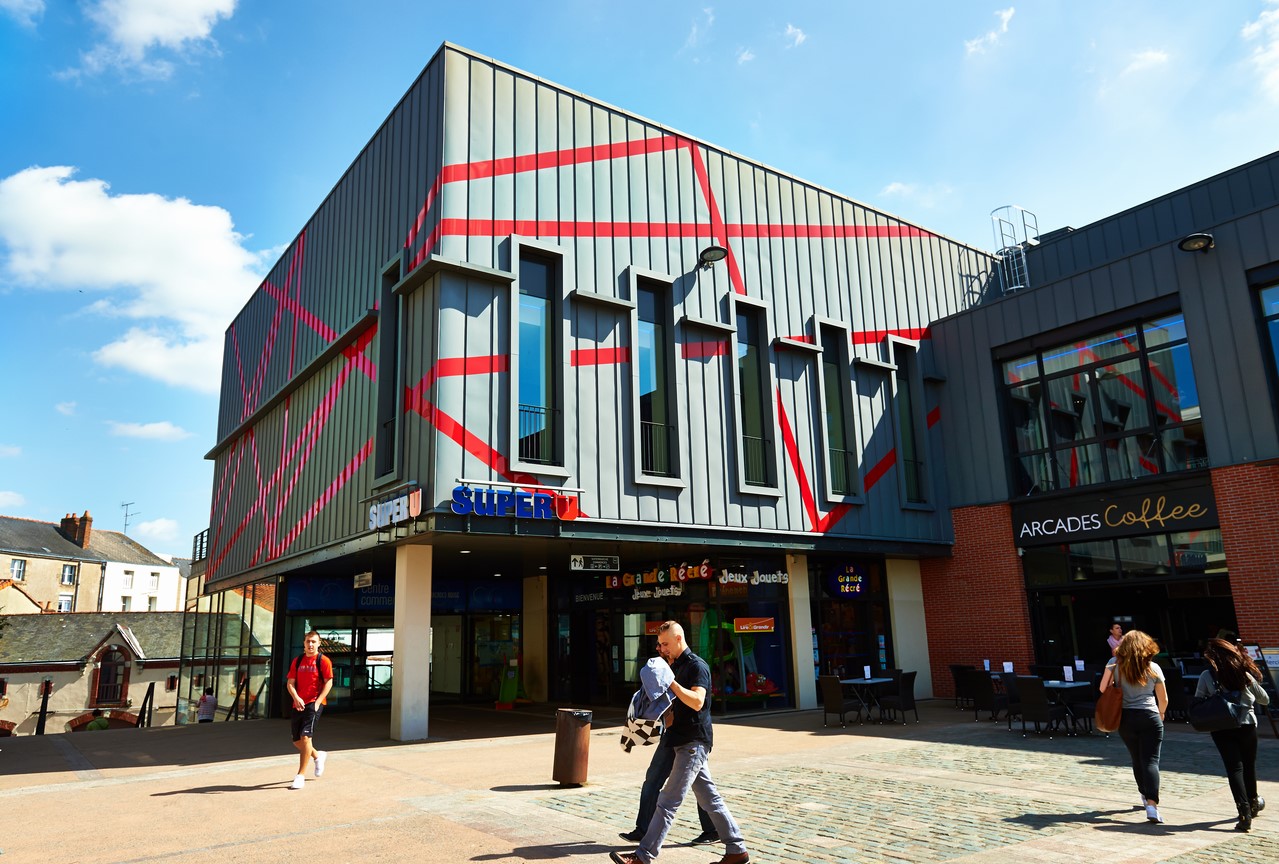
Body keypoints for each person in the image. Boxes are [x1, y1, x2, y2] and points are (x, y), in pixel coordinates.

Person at [609, 620, 749, 864]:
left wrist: (670, 682)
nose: (662, 648)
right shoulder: (673, 665)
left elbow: (697, 701)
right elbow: (675, 707)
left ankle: (643, 857)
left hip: (693, 742)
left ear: (678, 639)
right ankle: (737, 851)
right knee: (710, 800)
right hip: (678, 739)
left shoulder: (697, 666)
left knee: (668, 801)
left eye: (665, 644)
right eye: (660, 644)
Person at [1194, 638, 1271, 831]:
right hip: (1247, 725)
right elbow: (1265, 699)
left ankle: (1243, 812)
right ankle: (1253, 803)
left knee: (1234, 768)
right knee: (1249, 766)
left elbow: (1198, 701)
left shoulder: (1207, 675)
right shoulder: (1243, 672)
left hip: (1221, 727)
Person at [1100, 629, 1168, 823]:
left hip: (1126, 717)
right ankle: (1152, 806)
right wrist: (1161, 713)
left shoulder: (1113, 664)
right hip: (1150, 715)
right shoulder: (1153, 667)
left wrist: (1114, 678)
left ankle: (1143, 795)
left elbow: (1102, 688)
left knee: (1136, 758)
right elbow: (1163, 698)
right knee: (1151, 760)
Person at [285, 630, 334, 790]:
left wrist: (318, 702)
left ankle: (300, 776)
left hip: (314, 703)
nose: (310, 644)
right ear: (304, 643)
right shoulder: (297, 661)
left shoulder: (323, 661)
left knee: (305, 738)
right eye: (308, 641)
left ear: (319, 644)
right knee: (296, 741)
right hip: (298, 703)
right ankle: (318, 756)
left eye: (314, 641)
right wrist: (296, 697)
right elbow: (290, 683)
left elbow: (328, 683)